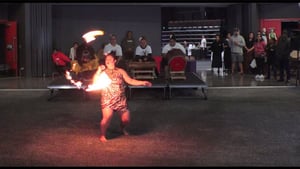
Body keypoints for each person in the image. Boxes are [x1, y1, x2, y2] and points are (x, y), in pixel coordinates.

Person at [85, 52, 152, 142]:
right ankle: (102, 135)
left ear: (114, 61)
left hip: (121, 100)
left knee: (126, 120)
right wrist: (98, 71)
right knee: (107, 117)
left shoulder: (120, 71)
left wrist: (143, 82)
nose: (108, 61)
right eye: (106, 59)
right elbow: (95, 82)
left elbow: (130, 80)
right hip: (107, 99)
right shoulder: (103, 73)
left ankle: (122, 128)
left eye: (110, 59)